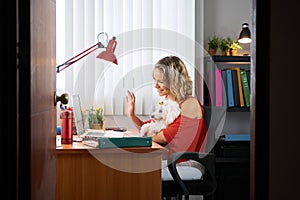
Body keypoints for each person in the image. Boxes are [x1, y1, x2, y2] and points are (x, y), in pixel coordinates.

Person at [126, 55, 208, 180]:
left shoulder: (189, 104)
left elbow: (162, 137)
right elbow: (149, 128)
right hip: (173, 162)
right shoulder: (171, 103)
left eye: (161, 81)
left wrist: (143, 138)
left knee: (138, 174)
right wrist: (131, 115)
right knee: (131, 167)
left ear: (174, 81)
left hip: (186, 164)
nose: (155, 86)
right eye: (155, 80)